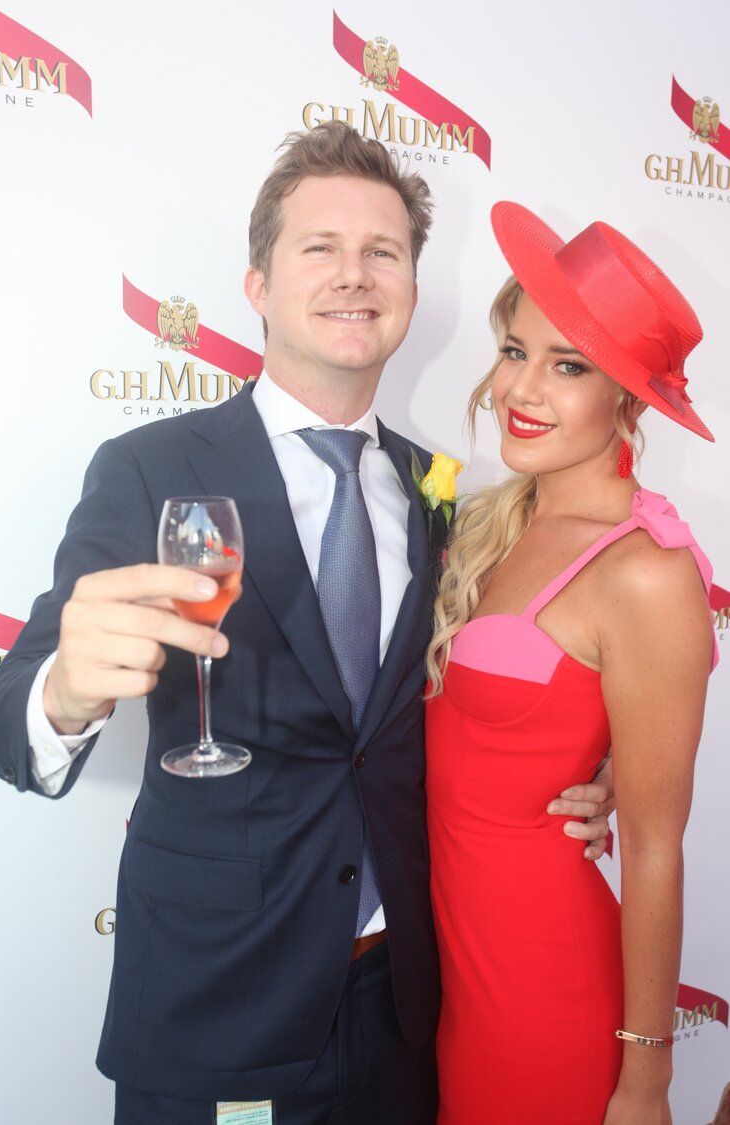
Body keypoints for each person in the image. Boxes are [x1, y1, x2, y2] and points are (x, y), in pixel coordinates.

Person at [0, 131, 611, 1124]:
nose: (355, 276)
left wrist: (585, 768)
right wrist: (63, 691)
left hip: (409, 1013)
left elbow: (470, 699)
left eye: (385, 252)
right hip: (217, 1010)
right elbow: (13, 726)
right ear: (258, 284)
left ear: (410, 288)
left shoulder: (442, 492)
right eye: (320, 248)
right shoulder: (151, 469)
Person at [425, 201, 719, 1124]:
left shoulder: (647, 571)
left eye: (570, 366)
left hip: (549, 1000)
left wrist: (645, 1080)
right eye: (516, 351)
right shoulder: (490, 522)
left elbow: (658, 846)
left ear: (628, 396)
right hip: (455, 991)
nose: (524, 390)